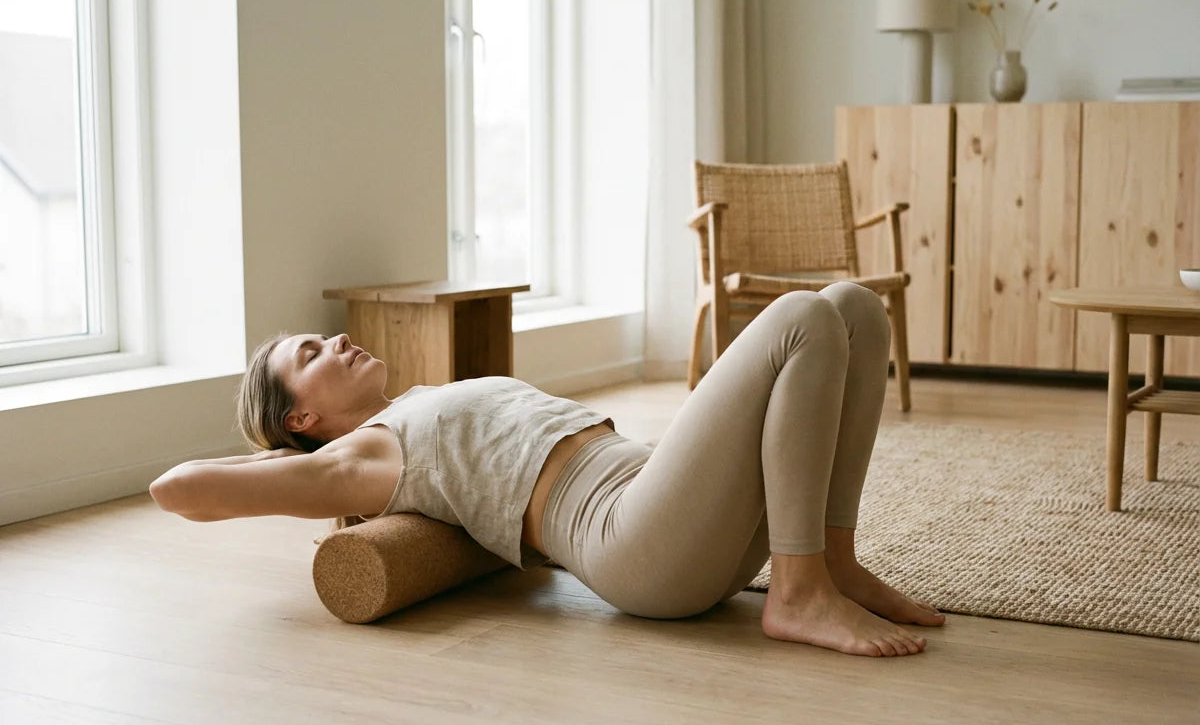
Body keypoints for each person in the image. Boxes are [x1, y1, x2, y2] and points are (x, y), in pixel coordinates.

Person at [151, 282, 945, 657]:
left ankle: (833, 564)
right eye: (310, 355)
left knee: (854, 307)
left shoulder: (419, 402)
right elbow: (179, 489)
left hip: (665, 499)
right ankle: (799, 593)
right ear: (302, 419)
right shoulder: (350, 460)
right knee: (801, 317)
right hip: (635, 544)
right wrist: (282, 460)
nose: (334, 342)